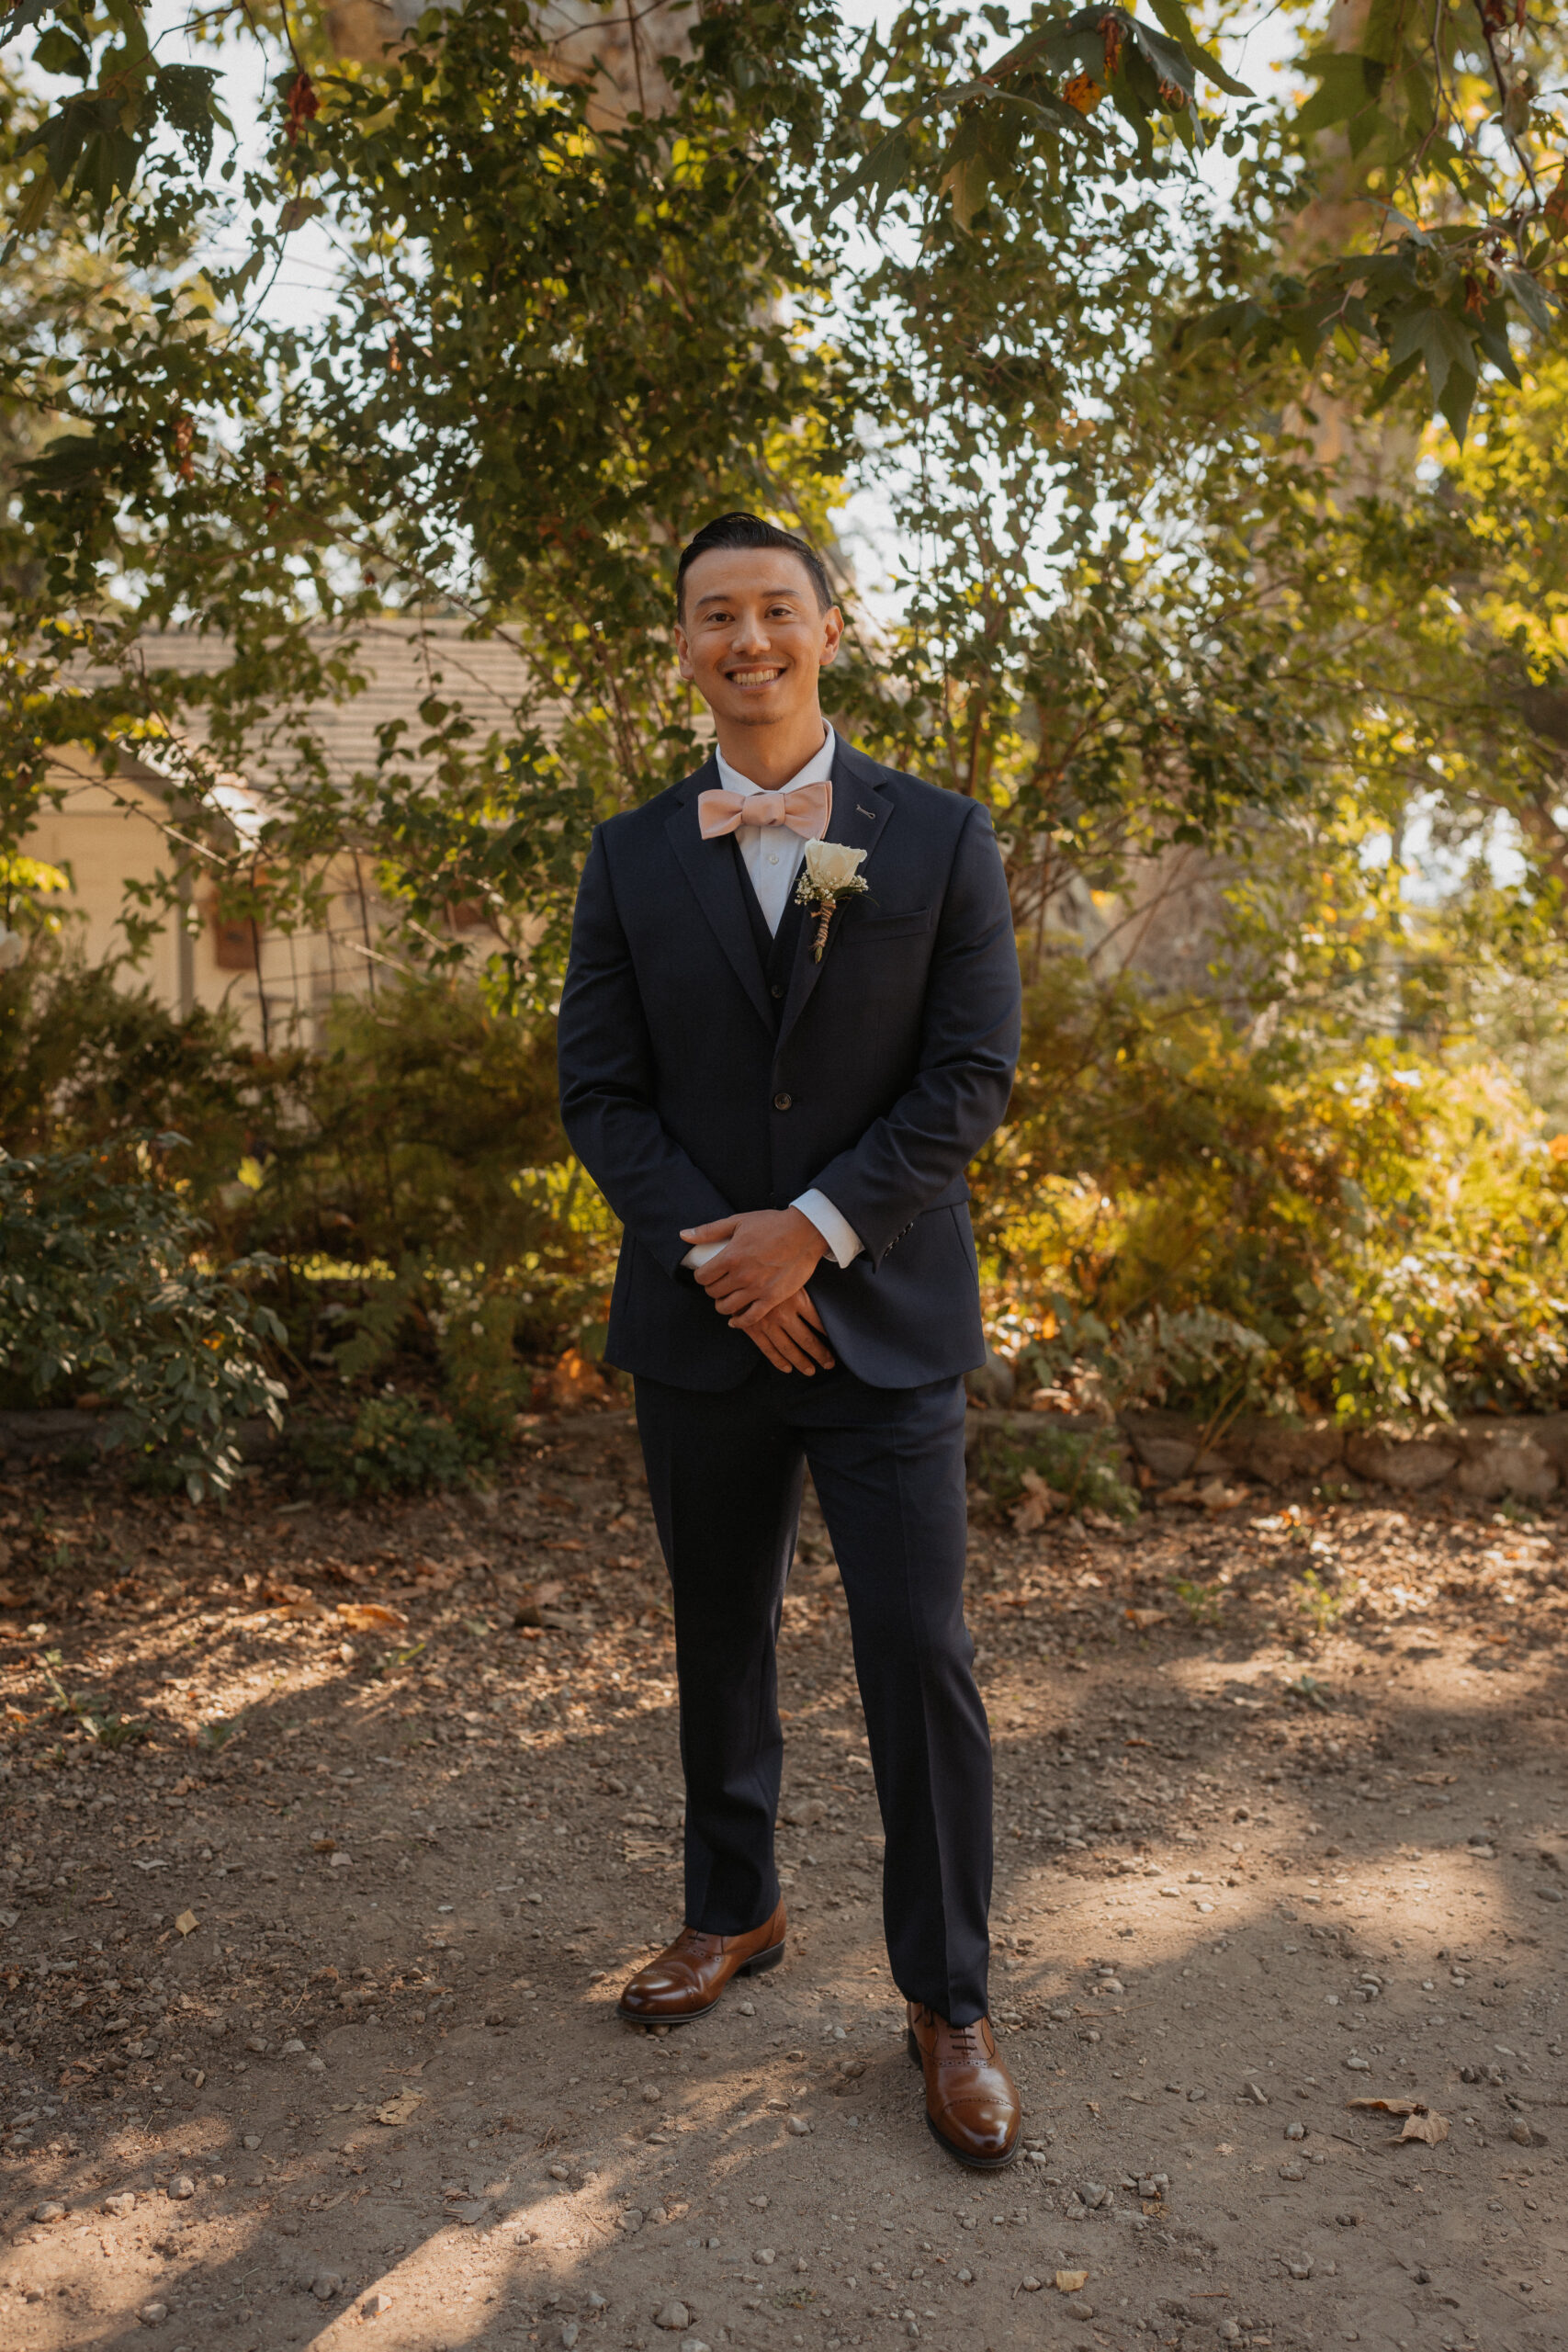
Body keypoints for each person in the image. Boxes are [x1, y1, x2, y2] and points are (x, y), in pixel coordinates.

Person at [557, 511, 1024, 2167]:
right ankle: (732, 1909)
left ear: (829, 629)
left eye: (773, 610)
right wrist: (727, 1260)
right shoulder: (627, 856)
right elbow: (598, 1092)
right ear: (683, 646)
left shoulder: (945, 835)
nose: (744, 639)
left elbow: (968, 1078)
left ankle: (949, 2000)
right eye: (711, 616)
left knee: (921, 1660)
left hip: (883, 1319)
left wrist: (812, 1239)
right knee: (719, 1636)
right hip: (698, 1326)